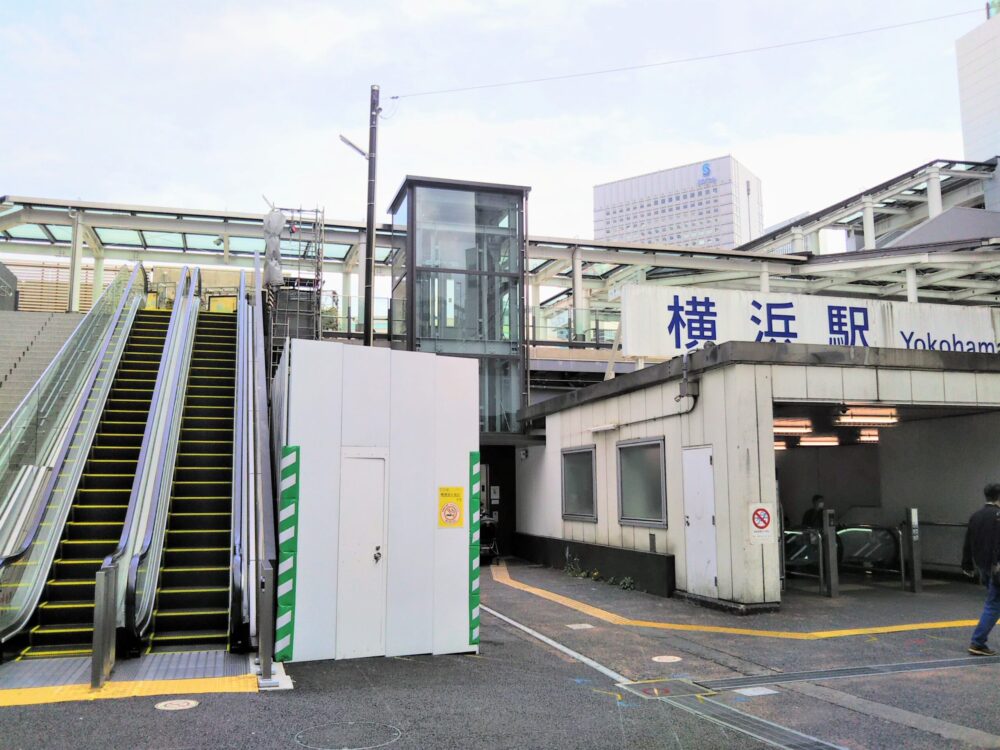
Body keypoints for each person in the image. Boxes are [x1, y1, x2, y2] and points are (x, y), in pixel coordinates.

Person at [961, 483, 1000, 656]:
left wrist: (967, 563)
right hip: (997, 568)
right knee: (993, 605)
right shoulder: (998, 516)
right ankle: (977, 642)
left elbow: (968, 541)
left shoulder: (976, 516)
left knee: (994, 602)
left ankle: (978, 642)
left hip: (983, 566)